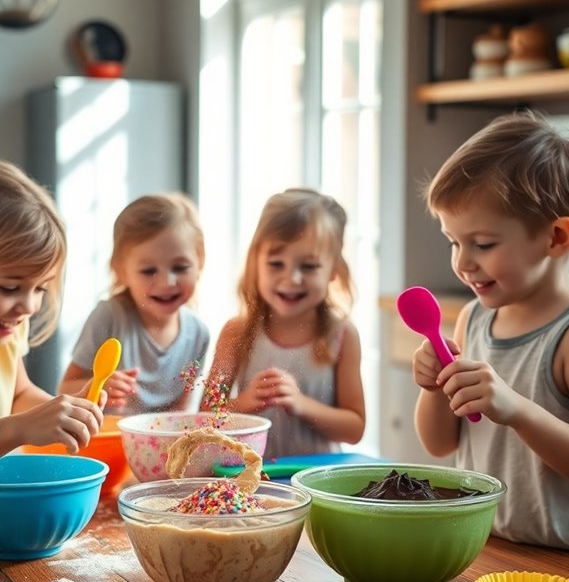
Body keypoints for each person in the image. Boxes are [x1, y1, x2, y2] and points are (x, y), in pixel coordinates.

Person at [410, 110, 569, 549]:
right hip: (481, 546)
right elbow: (439, 444)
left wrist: (517, 410)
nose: (463, 262)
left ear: (556, 238)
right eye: (454, 242)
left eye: (482, 244)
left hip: (559, 564)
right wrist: (433, 387)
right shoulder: (473, 320)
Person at [202, 188, 365, 459]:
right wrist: (245, 403)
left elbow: (354, 428)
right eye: (276, 264)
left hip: (316, 481)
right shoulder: (237, 332)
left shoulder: (343, 335)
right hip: (251, 482)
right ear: (256, 263)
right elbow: (206, 417)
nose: (292, 279)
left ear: (334, 268)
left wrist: (301, 405)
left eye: (309, 266)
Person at [59, 193, 209, 414]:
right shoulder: (108, 317)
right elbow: (63, 390)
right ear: (121, 272)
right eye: (148, 271)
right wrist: (96, 386)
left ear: (200, 264)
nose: (167, 282)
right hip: (106, 440)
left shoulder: (198, 333)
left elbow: (181, 411)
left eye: (180, 267)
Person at [0, 161, 104, 456]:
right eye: (8, 288)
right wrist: (21, 427)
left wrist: (62, 413)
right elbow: (18, 422)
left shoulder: (8, 328)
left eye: (40, 289)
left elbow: (19, 394)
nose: (29, 306)